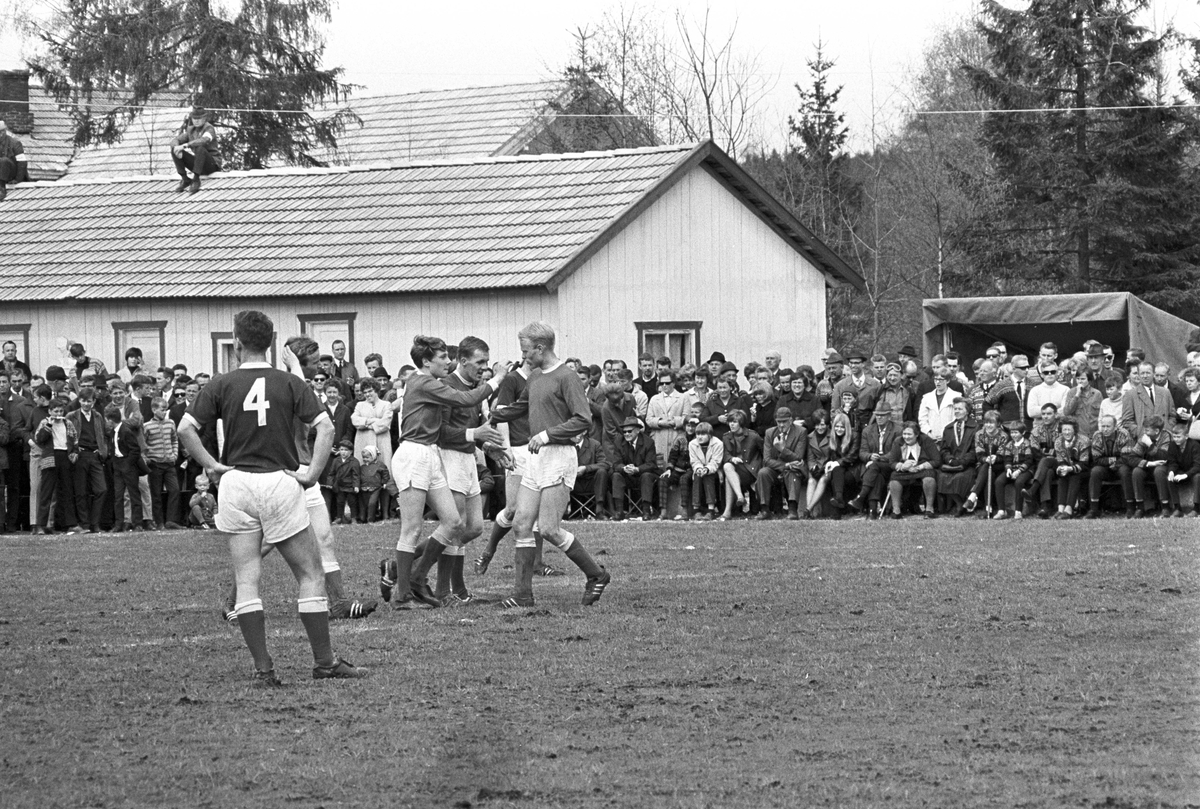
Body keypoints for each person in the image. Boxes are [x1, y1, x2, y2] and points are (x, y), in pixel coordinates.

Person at [178, 310, 364, 685]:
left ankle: (264, 670)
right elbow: (325, 426)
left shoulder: (220, 383)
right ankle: (324, 662)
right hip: (278, 480)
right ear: (272, 342)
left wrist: (212, 465)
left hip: (237, 483)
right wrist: (312, 474)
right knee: (310, 573)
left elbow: (185, 428)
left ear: (237, 342)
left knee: (247, 578)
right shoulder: (288, 382)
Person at [487, 322, 610, 609]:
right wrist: (497, 410)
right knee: (521, 522)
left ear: (541, 348)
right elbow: (522, 407)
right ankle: (523, 595)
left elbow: (583, 418)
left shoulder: (567, 377)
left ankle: (596, 574)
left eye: (526, 351)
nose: (524, 357)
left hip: (558, 456)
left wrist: (546, 434)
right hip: (536, 458)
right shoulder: (536, 376)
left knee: (550, 529)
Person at [384, 335, 506, 609]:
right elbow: (467, 398)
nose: (448, 361)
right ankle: (403, 595)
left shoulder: (429, 382)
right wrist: (497, 378)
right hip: (414, 453)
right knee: (412, 529)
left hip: (429, 454)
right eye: (442, 357)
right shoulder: (423, 381)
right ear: (426, 362)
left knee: (453, 522)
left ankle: (416, 578)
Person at [33, 398, 79, 535]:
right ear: (50, 411)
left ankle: (71, 524)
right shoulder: (45, 422)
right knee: (46, 492)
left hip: (65, 456)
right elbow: (39, 439)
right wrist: (49, 425)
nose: (58, 413)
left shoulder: (67, 422)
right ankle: (40, 525)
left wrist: (74, 452)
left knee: (67, 491)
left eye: (60, 411)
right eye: (56, 411)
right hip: (50, 458)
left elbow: (74, 439)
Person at [756, 406, 806, 520]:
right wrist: (785, 465)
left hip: (794, 469)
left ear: (791, 420)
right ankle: (764, 509)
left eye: (784, 422)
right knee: (763, 472)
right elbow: (767, 459)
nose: (781, 425)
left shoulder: (801, 432)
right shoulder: (769, 432)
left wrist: (782, 449)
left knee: (792, 472)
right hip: (778, 467)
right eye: (779, 422)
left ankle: (792, 509)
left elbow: (798, 458)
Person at [886, 421, 940, 519]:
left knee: (929, 477)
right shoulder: (898, 441)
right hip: (905, 470)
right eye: (904, 434)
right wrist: (902, 466)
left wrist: (920, 466)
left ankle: (929, 509)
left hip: (922, 468)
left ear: (917, 434)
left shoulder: (926, 440)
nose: (906, 437)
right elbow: (892, 462)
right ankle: (896, 510)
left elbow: (936, 460)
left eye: (909, 434)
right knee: (894, 477)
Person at [144, 396, 183, 529]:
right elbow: (143, 444)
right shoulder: (147, 426)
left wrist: (175, 454)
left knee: (175, 490)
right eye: (162, 409)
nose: (164, 412)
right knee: (156, 494)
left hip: (169, 463)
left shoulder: (170, 423)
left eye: (166, 410)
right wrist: (147, 458)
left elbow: (174, 439)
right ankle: (159, 521)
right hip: (155, 464)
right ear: (154, 410)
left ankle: (171, 520)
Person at [1085, 415, 1136, 518]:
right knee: (1095, 471)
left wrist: (1116, 464)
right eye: (1103, 426)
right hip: (1105, 467)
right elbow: (1096, 459)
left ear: (1115, 426)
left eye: (1108, 426)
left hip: (1121, 466)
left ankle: (1130, 507)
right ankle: (1094, 509)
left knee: (1125, 471)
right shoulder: (1097, 435)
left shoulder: (1124, 434)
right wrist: (1112, 461)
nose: (1105, 429)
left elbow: (1127, 457)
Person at [610, 416, 659, 520]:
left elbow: (651, 464)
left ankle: (646, 511)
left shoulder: (648, 442)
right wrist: (624, 468)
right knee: (616, 475)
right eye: (624, 432)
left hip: (642, 476)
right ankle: (619, 511)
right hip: (627, 476)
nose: (626, 434)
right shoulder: (618, 441)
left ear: (637, 431)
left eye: (629, 431)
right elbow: (616, 463)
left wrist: (637, 469)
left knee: (646, 476)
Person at [966, 412, 1012, 518]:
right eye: (986, 422)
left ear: (998, 424)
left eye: (991, 423)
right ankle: (988, 509)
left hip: (1000, 464)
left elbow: (1004, 455)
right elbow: (979, 454)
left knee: (988, 469)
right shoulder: (979, 434)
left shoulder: (1004, 436)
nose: (988, 425)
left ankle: (973, 495)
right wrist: (985, 459)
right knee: (988, 471)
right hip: (983, 464)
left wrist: (996, 457)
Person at [719, 410, 763, 520]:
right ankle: (738, 498)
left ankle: (728, 511)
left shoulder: (753, 436)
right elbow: (725, 455)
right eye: (730, 422)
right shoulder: (726, 437)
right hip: (736, 470)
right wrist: (732, 458)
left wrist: (759, 469)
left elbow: (764, 453)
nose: (731, 424)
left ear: (741, 422)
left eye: (734, 422)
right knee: (727, 466)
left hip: (751, 470)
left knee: (728, 471)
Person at [937, 398, 978, 516]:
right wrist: (950, 459)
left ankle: (962, 505)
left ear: (967, 411)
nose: (956, 411)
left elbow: (975, 449)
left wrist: (963, 461)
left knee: (961, 477)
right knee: (942, 476)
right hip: (951, 464)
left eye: (960, 409)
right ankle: (959, 503)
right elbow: (944, 449)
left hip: (968, 464)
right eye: (955, 409)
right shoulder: (948, 428)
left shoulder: (975, 427)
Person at [170, 105, 221, 193]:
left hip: (211, 164)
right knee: (174, 150)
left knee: (200, 148)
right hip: (199, 164)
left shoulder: (209, 128)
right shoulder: (191, 130)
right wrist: (176, 147)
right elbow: (176, 140)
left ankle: (196, 179)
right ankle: (185, 179)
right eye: (194, 118)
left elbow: (203, 140)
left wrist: (185, 145)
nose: (196, 121)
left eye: (199, 118)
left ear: (204, 118)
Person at [657, 418, 693, 521]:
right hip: (678, 469)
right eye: (688, 426)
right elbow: (673, 456)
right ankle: (663, 512)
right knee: (663, 479)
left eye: (693, 426)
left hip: (691, 469)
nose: (691, 428)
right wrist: (669, 469)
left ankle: (684, 511)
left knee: (684, 479)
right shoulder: (680, 438)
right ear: (685, 426)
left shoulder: (698, 437)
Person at [351, 378, 393, 461]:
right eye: (365, 392)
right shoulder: (360, 405)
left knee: (383, 465)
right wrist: (374, 420)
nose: (367, 394)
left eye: (370, 391)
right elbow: (354, 420)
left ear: (376, 391)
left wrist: (364, 424)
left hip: (382, 442)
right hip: (363, 441)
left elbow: (385, 424)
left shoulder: (386, 405)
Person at [329, 440, 360, 524]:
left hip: (350, 486)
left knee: (352, 502)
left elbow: (356, 475)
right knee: (339, 502)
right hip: (339, 486)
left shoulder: (354, 462)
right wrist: (330, 483)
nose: (343, 452)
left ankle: (353, 518)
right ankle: (339, 517)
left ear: (351, 452)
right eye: (342, 449)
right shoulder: (336, 461)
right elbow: (331, 473)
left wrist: (356, 485)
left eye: (346, 450)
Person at [358, 446, 389, 523]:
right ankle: (363, 518)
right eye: (363, 457)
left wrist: (384, 482)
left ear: (373, 456)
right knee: (365, 504)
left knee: (372, 503)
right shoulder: (362, 467)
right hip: (364, 488)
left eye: (367, 457)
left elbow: (385, 473)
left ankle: (370, 519)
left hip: (376, 488)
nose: (365, 459)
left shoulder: (380, 465)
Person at [0, 120, 28, 202]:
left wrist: (17, 179)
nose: (0, 135)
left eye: (2, 132)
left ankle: (1, 189)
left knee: (3, 161)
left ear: (5, 131)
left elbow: (22, 162)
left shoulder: (15, 143)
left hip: (12, 172)